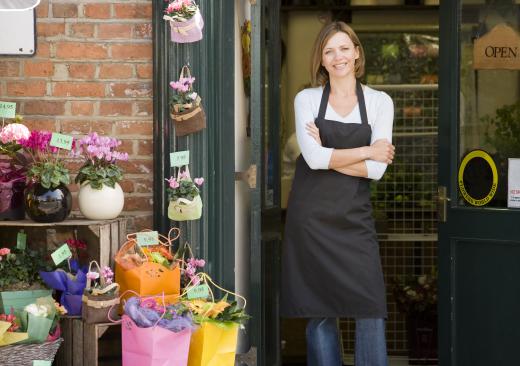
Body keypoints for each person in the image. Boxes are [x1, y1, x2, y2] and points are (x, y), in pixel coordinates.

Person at [280, 21, 395, 366]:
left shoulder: (378, 102)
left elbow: (377, 171)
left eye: (344, 48)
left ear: (357, 53)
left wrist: (332, 155)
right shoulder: (307, 99)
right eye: (329, 51)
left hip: (354, 220)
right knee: (320, 309)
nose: (337, 57)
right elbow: (313, 160)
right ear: (321, 59)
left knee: (370, 306)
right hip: (312, 221)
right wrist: (366, 151)